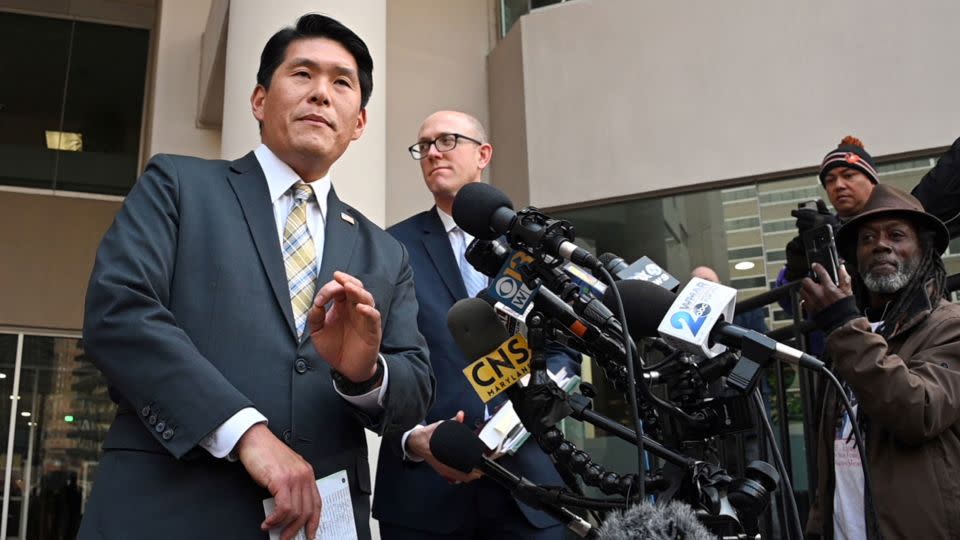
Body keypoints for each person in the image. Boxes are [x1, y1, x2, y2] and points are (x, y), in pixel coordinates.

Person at [79, 14, 434, 540]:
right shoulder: (179, 186)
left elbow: (415, 386)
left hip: (318, 522)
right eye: (302, 75)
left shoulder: (383, 251)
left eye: (341, 82)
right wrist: (245, 431)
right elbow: (119, 312)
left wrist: (365, 374)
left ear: (358, 121)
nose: (320, 94)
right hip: (170, 508)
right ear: (259, 101)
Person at [372, 110, 580, 539]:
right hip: (425, 497)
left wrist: (529, 414)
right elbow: (375, 362)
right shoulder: (390, 248)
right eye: (424, 146)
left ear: (483, 153)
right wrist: (414, 439)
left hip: (531, 491)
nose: (432, 152)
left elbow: (564, 352)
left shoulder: (529, 243)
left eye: (447, 140)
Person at [799, 184, 960, 539]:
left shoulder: (950, 326)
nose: (881, 244)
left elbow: (919, 411)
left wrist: (842, 324)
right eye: (867, 238)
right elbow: (834, 455)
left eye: (897, 235)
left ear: (924, 249)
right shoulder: (848, 334)